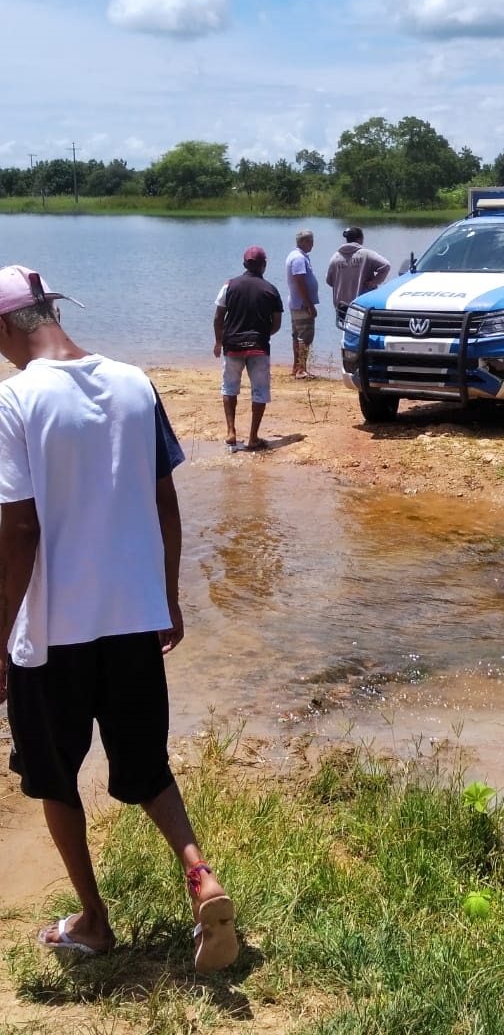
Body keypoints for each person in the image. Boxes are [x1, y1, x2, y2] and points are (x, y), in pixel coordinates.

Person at [0, 264, 238, 971]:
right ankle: (202, 876)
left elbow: (18, 533)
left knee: (51, 778)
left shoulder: (14, 403)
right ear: (51, 311)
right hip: (132, 620)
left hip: (51, 633)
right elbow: (164, 500)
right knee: (147, 767)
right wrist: (165, 597)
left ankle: (95, 922)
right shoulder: (136, 382)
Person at [213, 246, 283, 449]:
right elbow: (276, 324)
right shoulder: (271, 290)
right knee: (260, 391)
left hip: (232, 345)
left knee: (229, 388)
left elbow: (218, 317)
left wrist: (219, 342)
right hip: (259, 348)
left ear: (244, 264)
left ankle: (231, 432)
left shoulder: (229, 286)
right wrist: (261, 336)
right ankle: (253, 437)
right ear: (264, 265)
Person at [325, 227, 391, 326]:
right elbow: (386, 265)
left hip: (342, 306)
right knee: (363, 335)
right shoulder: (366, 254)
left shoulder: (335, 257)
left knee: (347, 335)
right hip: (362, 304)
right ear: (360, 239)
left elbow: (329, 280)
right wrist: (374, 282)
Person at [285, 229, 319, 379]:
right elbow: (300, 281)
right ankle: (301, 369)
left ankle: (296, 367)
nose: (312, 244)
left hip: (297, 303)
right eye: (311, 241)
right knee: (305, 337)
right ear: (304, 242)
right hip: (302, 304)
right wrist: (309, 303)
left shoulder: (298, 256)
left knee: (298, 336)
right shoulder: (298, 258)